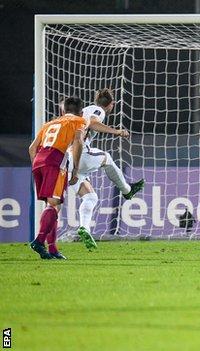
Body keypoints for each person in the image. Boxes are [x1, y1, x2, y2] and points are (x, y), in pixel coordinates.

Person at [62, 89, 145, 248]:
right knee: (106, 157)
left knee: (90, 197)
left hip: (67, 162)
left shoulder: (81, 111)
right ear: (111, 104)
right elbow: (93, 123)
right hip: (80, 155)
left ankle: (84, 228)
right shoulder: (97, 110)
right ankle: (127, 190)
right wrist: (117, 132)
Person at [28, 97, 87, 259]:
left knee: (53, 206)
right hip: (55, 161)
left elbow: (32, 148)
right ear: (80, 112)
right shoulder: (79, 121)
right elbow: (78, 142)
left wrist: (38, 166)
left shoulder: (49, 123)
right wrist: (75, 169)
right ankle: (39, 241)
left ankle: (52, 249)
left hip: (39, 160)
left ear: (63, 111)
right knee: (54, 204)